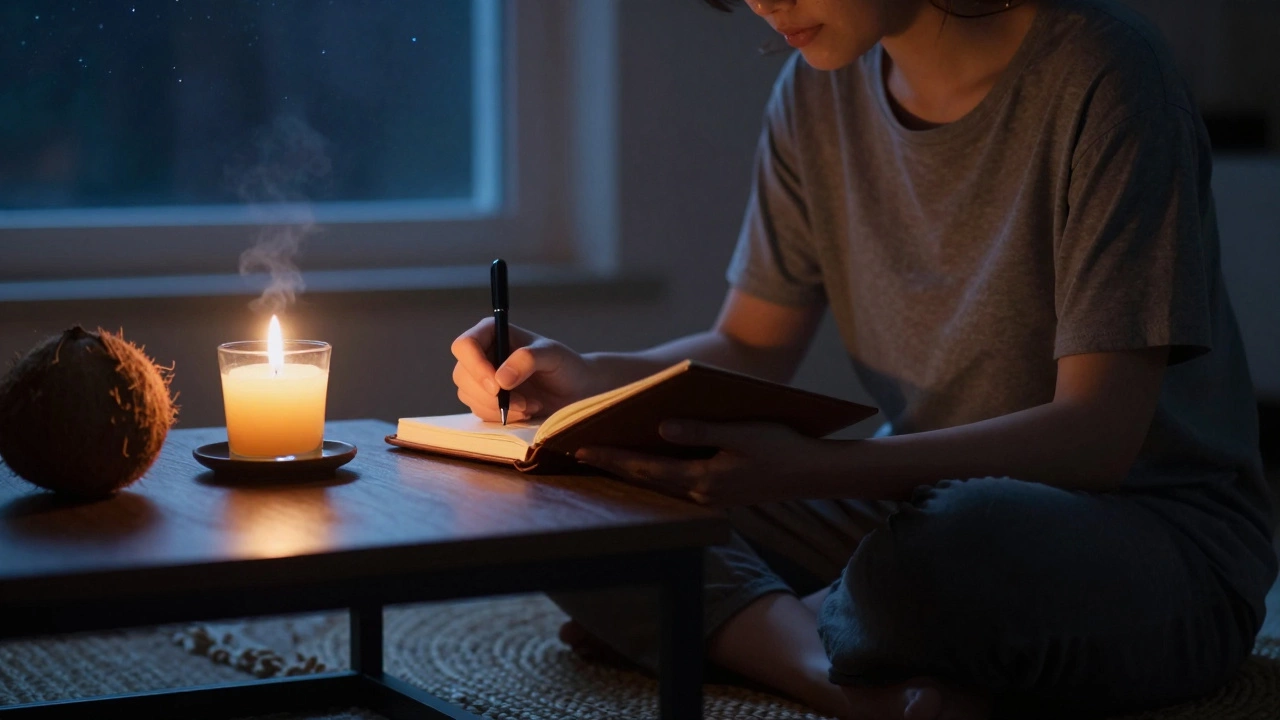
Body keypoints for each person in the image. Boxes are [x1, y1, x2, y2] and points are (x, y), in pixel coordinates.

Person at [450, 0, 1277, 718]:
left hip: (1140, 535)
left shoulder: (1102, 71)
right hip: (906, 503)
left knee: (937, 560)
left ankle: (713, 625)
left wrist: (811, 469)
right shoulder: (816, 92)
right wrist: (582, 378)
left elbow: (1095, 439)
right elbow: (748, 345)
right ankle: (831, 671)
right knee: (556, 492)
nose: (765, 4)